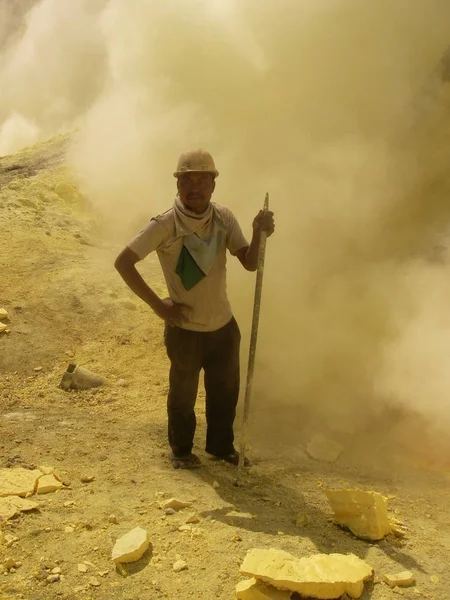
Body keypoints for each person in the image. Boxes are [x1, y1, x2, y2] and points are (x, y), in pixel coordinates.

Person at [114, 149, 275, 469]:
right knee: (183, 396)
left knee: (225, 393)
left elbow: (250, 262)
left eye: (203, 180)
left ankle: (220, 447)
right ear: (178, 186)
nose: (195, 187)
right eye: (187, 180)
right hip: (184, 329)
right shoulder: (165, 224)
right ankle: (182, 451)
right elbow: (124, 262)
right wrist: (158, 306)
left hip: (223, 327)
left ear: (213, 185)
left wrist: (259, 232)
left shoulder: (223, 218)